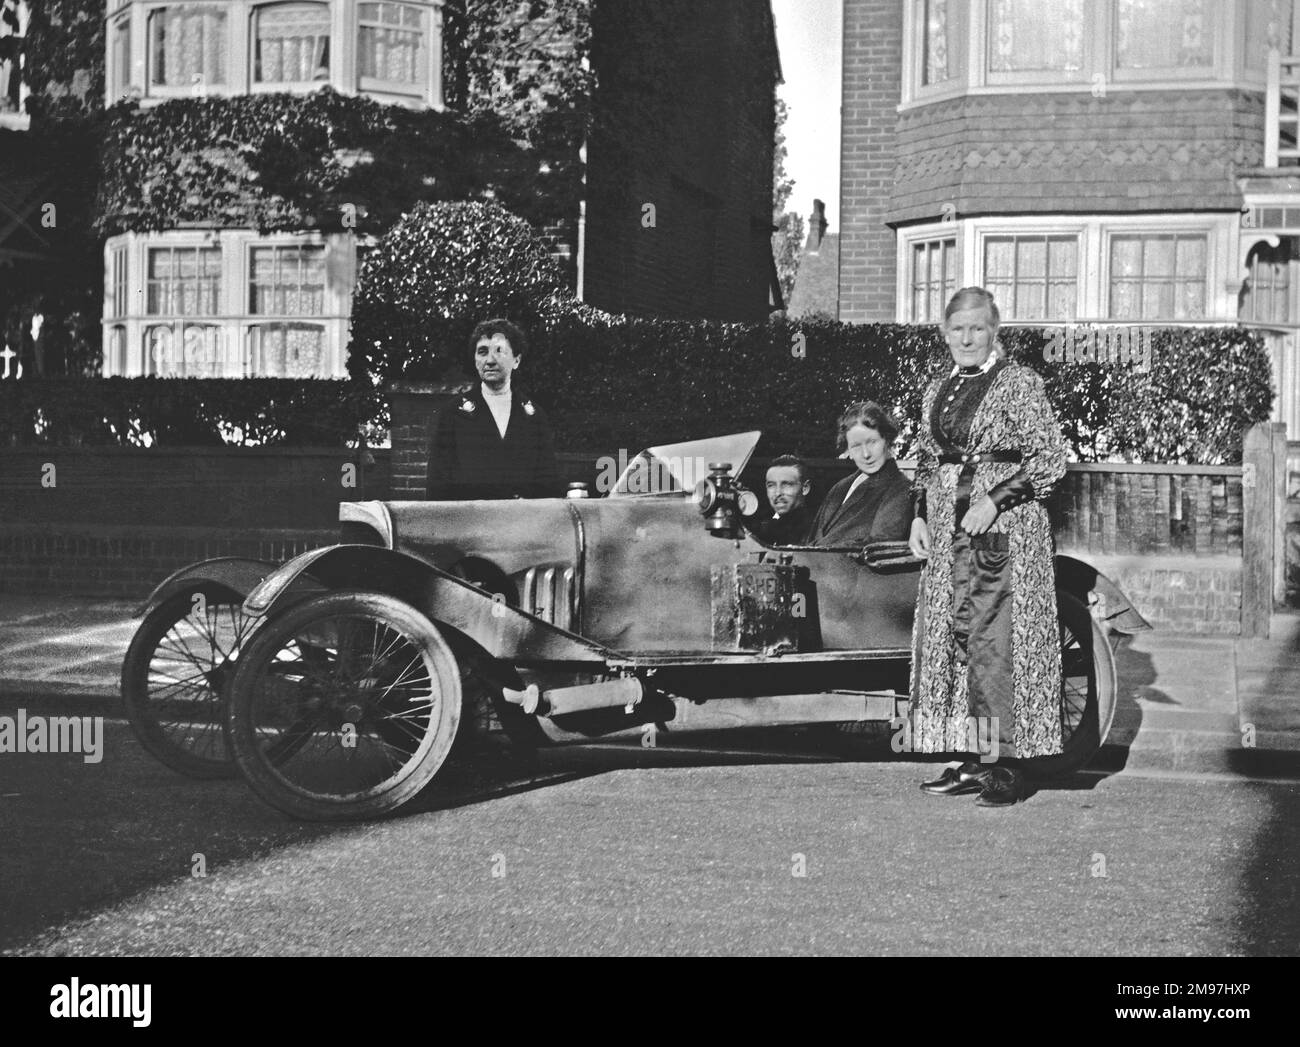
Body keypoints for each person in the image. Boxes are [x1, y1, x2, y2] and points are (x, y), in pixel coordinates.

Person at [907, 287, 1068, 807]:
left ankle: (1007, 765)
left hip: (1006, 531)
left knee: (999, 640)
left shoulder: (1021, 383)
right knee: (955, 637)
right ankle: (972, 758)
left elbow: (1048, 458)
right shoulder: (936, 388)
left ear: (995, 330)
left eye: (977, 327)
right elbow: (927, 461)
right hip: (948, 531)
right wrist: (917, 516)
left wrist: (995, 500)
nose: (967, 338)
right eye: (958, 329)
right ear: (944, 333)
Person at [426, 319, 560, 500]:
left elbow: (548, 486)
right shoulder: (453, 414)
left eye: (499, 351)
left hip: (521, 523)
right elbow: (438, 486)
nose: (489, 360)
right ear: (475, 360)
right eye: (482, 352)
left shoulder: (535, 417)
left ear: (516, 360)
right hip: (471, 524)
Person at [805, 401, 912, 547]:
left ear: (886, 439)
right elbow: (812, 538)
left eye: (872, 442)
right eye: (856, 446)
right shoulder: (840, 488)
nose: (866, 454)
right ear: (848, 450)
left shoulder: (900, 488)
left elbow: (879, 548)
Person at [753, 454, 813, 545]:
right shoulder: (767, 526)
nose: (777, 493)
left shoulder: (813, 530)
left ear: (805, 488)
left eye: (786, 484)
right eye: (771, 485)